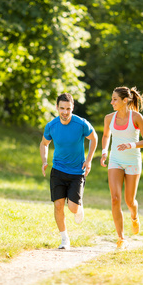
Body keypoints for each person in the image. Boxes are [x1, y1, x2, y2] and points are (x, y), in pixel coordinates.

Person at [40, 93, 98, 249]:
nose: (65, 112)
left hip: (76, 172)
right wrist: (45, 160)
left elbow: (94, 138)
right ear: (57, 108)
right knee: (58, 205)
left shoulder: (81, 124)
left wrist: (89, 159)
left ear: (72, 108)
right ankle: (64, 239)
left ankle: (78, 206)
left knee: (72, 208)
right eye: (62, 108)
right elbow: (44, 143)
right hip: (58, 169)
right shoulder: (51, 126)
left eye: (68, 109)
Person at [100, 86, 143, 249]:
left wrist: (130, 144)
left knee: (130, 201)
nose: (112, 102)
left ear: (125, 100)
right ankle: (121, 238)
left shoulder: (136, 117)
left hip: (132, 161)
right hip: (115, 160)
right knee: (115, 199)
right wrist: (104, 152)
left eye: (115, 99)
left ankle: (134, 217)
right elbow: (106, 135)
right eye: (112, 98)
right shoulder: (109, 118)